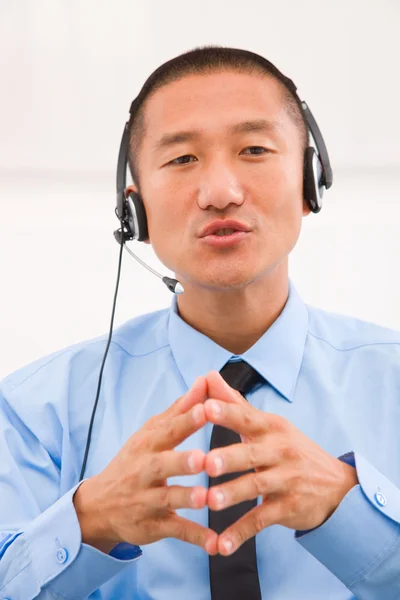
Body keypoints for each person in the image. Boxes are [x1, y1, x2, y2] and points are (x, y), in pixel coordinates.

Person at [0, 46, 399, 600]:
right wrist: (87, 522)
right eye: (182, 159)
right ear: (132, 211)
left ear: (309, 182)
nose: (220, 193)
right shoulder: (33, 411)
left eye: (254, 149)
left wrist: (350, 509)